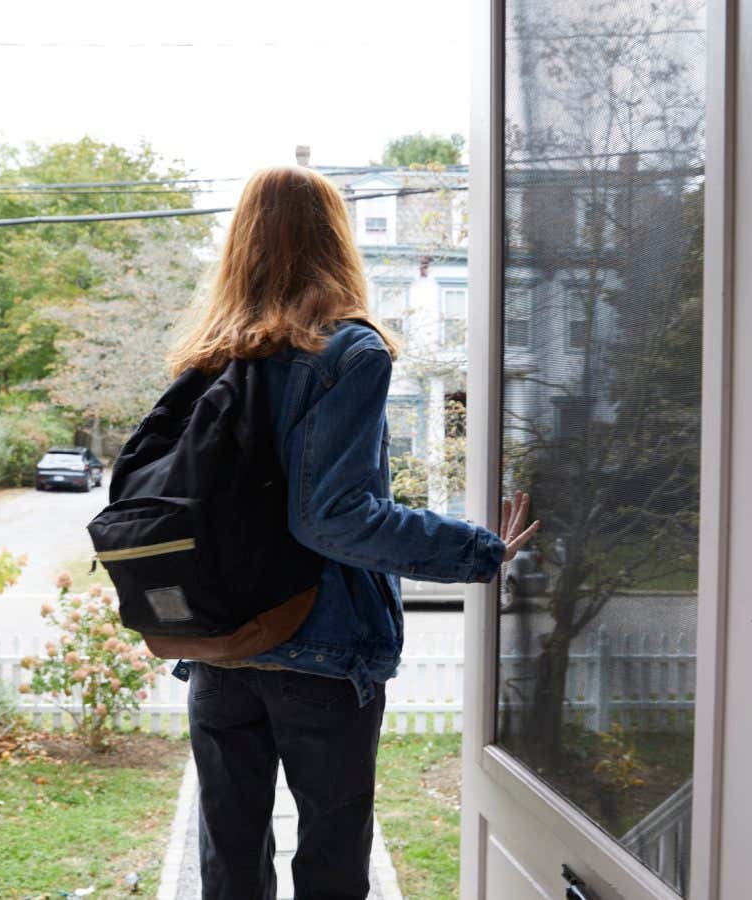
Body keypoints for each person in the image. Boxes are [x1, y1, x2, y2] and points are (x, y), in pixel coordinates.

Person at [163, 165, 539, 900]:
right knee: (331, 865)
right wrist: (474, 550)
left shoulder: (208, 357)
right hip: (322, 651)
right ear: (336, 242)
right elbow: (333, 516)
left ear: (242, 244)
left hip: (221, 646)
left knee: (228, 865)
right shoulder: (348, 353)